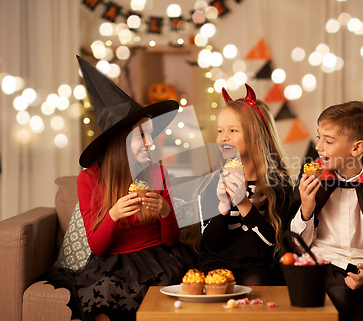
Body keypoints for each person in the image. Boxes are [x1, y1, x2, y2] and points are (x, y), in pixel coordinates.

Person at [62, 56, 190, 321]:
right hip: (112, 261)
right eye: (142, 135)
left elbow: (171, 240)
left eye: (150, 135)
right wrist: (114, 215)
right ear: (121, 140)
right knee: (104, 295)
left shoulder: (157, 171)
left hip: (158, 257)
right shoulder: (88, 180)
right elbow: (97, 247)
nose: (149, 143)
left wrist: (166, 212)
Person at [289, 101, 363, 321]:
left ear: (357, 148)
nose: (318, 146)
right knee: (335, 299)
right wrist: (306, 207)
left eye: (328, 140)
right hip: (325, 263)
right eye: (319, 136)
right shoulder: (312, 179)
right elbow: (298, 245)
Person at [196, 84, 293, 285]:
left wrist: (243, 202)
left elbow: (273, 243)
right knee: (216, 286)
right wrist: (223, 209)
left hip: (260, 265)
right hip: (216, 263)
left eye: (233, 130)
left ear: (256, 135)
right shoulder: (211, 182)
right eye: (220, 131)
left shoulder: (278, 184)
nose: (224, 137)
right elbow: (210, 245)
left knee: (257, 285)